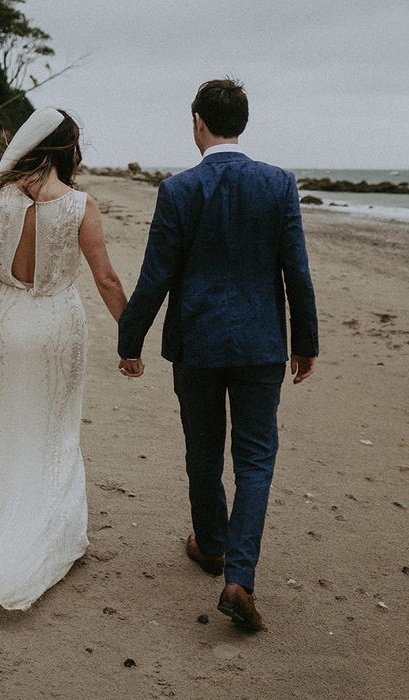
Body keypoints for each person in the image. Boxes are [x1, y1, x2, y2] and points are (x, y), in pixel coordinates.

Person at [0, 108, 142, 628]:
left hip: (6, 320)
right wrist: (130, 339)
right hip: (55, 324)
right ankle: (52, 530)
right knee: (55, 426)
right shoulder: (80, 205)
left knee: (10, 422)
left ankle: (3, 514)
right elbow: (106, 279)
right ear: (67, 149)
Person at [117, 79, 319, 631]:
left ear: (198, 123)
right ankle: (239, 577)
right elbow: (295, 272)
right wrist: (306, 343)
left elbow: (155, 276)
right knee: (255, 459)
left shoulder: (179, 190)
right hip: (260, 346)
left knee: (203, 450)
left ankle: (210, 544)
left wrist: (129, 341)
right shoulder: (278, 184)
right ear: (242, 123)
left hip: (199, 343)